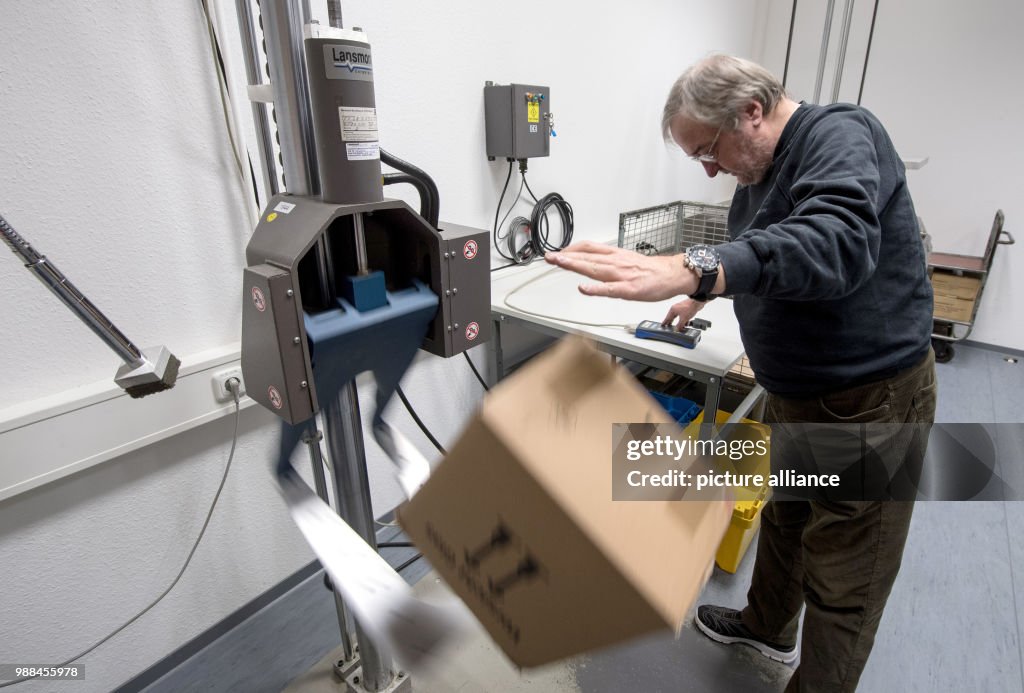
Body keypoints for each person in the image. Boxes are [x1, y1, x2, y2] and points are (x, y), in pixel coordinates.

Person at [545, 54, 936, 692]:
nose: (707, 167)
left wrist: (695, 267)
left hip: (869, 399)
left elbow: (832, 241)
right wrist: (703, 295)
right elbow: (766, 244)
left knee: (847, 574)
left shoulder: (840, 133)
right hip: (799, 390)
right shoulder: (758, 166)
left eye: (708, 149)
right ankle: (767, 626)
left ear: (751, 112)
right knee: (785, 521)